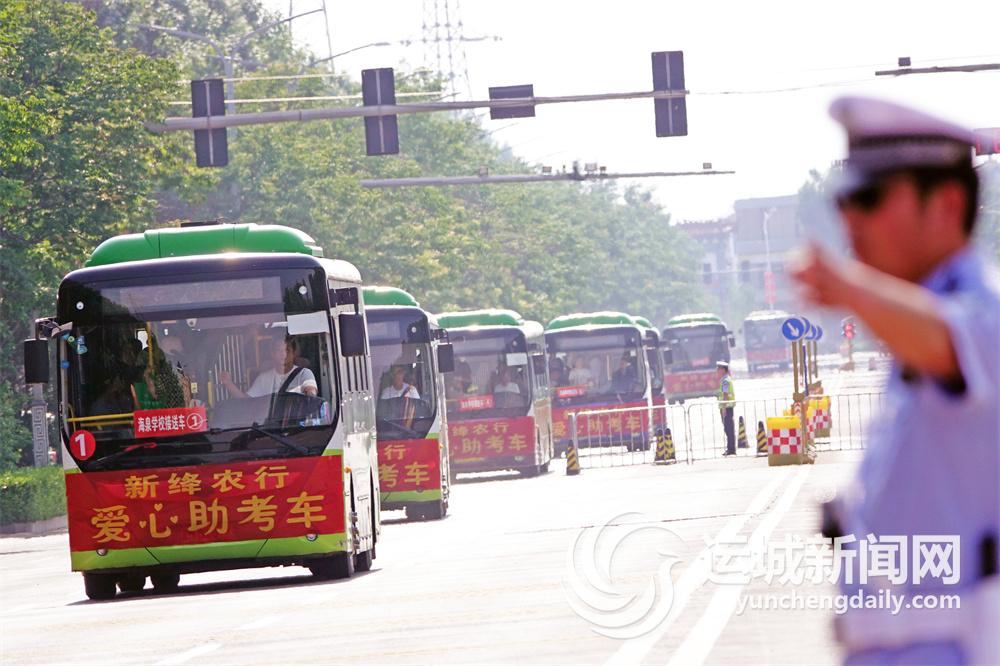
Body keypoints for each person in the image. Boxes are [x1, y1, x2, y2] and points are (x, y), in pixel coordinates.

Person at [792, 96, 999, 665]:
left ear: (947, 204)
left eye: (870, 198)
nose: (850, 221)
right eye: (844, 201)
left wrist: (850, 287)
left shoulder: (981, 313)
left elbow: (950, 340)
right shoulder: (910, 334)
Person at [220, 336, 317, 398]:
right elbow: (247, 401)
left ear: (293, 354)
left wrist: (310, 393)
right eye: (279, 350)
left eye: (287, 350)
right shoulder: (263, 378)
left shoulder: (304, 373)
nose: (283, 354)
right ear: (272, 354)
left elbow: (311, 393)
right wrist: (228, 383)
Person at [716, 361, 736, 456]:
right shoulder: (725, 379)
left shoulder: (725, 380)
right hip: (727, 407)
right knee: (728, 428)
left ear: (723, 370)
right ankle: (730, 448)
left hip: (727, 407)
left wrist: (723, 408)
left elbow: (725, 394)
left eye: (718, 369)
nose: (717, 371)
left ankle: (731, 449)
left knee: (728, 429)